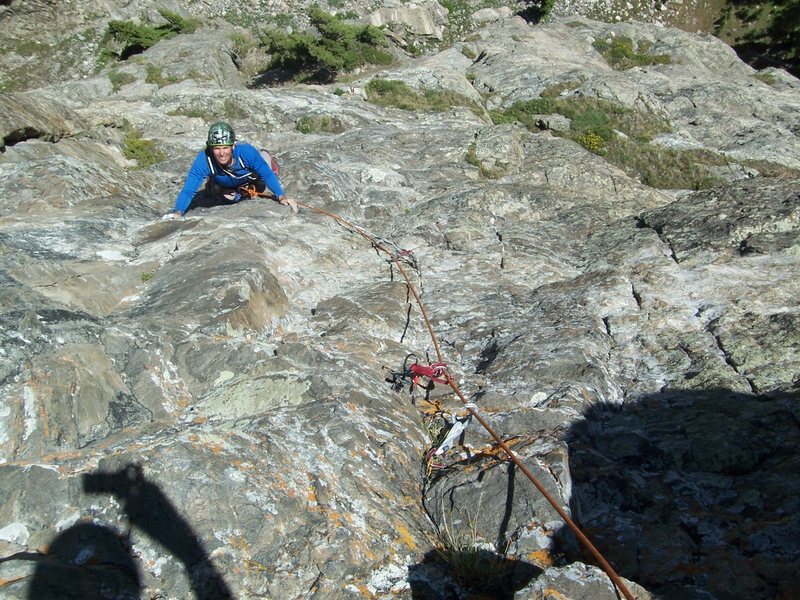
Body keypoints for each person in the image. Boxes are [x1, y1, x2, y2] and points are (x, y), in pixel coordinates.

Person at [164, 122, 297, 219]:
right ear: (211, 149)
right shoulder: (204, 160)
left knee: (264, 176)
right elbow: (188, 190)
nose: (221, 153)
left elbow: (266, 174)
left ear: (233, 146)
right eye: (217, 148)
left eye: (225, 148)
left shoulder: (246, 153)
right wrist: (178, 212)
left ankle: (263, 156)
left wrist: (281, 196)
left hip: (250, 176)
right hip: (224, 183)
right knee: (227, 198)